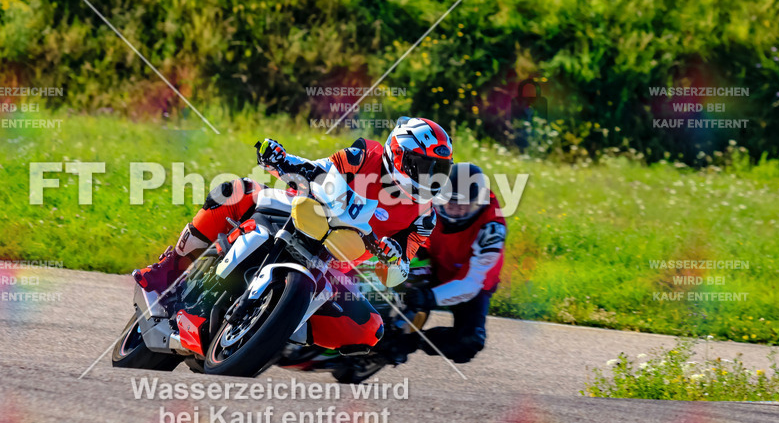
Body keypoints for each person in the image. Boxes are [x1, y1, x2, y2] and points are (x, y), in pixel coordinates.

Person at [132, 117, 455, 350]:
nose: (432, 178)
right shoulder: (365, 155)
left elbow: (399, 270)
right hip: (309, 216)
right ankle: (169, 269)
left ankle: (279, 331)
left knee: (371, 329)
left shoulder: (425, 216)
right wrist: (282, 159)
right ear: (399, 155)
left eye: (438, 171)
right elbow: (321, 167)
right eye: (425, 167)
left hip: (338, 267)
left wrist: (393, 257)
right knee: (237, 190)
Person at [404, 162, 506, 364]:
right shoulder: (426, 197)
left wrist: (427, 297)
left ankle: (412, 341)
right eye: (449, 202)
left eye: (463, 204)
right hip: (431, 259)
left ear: (478, 202)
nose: (454, 210)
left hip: (472, 281)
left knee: (468, 343)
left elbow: (470, 284)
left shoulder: (493, 228)